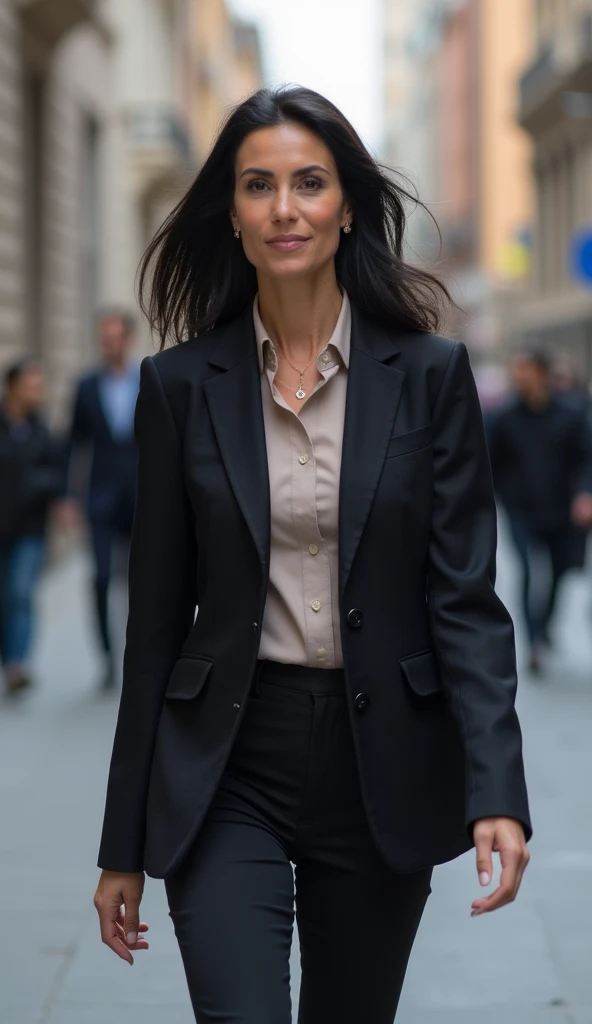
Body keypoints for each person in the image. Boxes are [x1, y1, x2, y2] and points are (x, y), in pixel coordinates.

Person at [93, 86, 531, 1023]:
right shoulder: (177, 388)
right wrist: (120, 841)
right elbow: (157, 622)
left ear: (347, 208)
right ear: (234, 214)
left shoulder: (430, 376)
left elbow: (466, 603)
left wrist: (498, 790)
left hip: (384, 760)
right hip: (226, 760)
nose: (284, 207)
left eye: (308, 183)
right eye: (258, 185)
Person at [488, 347, 592, 673]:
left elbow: (585, 458)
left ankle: (544, 626)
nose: (518, 376)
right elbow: (488, 464)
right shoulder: (502, 418)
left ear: (542, 373)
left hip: (563, 512)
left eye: (525, 369)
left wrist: (585, 494)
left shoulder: (572, 413)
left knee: (561, 572)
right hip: (521, 511)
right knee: (530, 572)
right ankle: (534, 642)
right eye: (515, 369)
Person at [58, 310, 140, 690]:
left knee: (144, 582)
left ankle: (140, 655)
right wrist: (67, 498)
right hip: (101, 497)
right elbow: (73, 444)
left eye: (115, 336)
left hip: (144, 496)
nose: (110, 344)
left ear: (128, 339)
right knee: (102, 578)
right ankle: (107, 659)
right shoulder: (87, 386)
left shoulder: (149, 378)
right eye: (104, 337)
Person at [0, 359, 61, 693]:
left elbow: (57, 471)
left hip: (30, 529)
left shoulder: (43, 429)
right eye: (32, 385)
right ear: (13, 387)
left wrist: (38, 486)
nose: (38, 392)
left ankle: (16, 665)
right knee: (4, 597)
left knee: (20, 593)